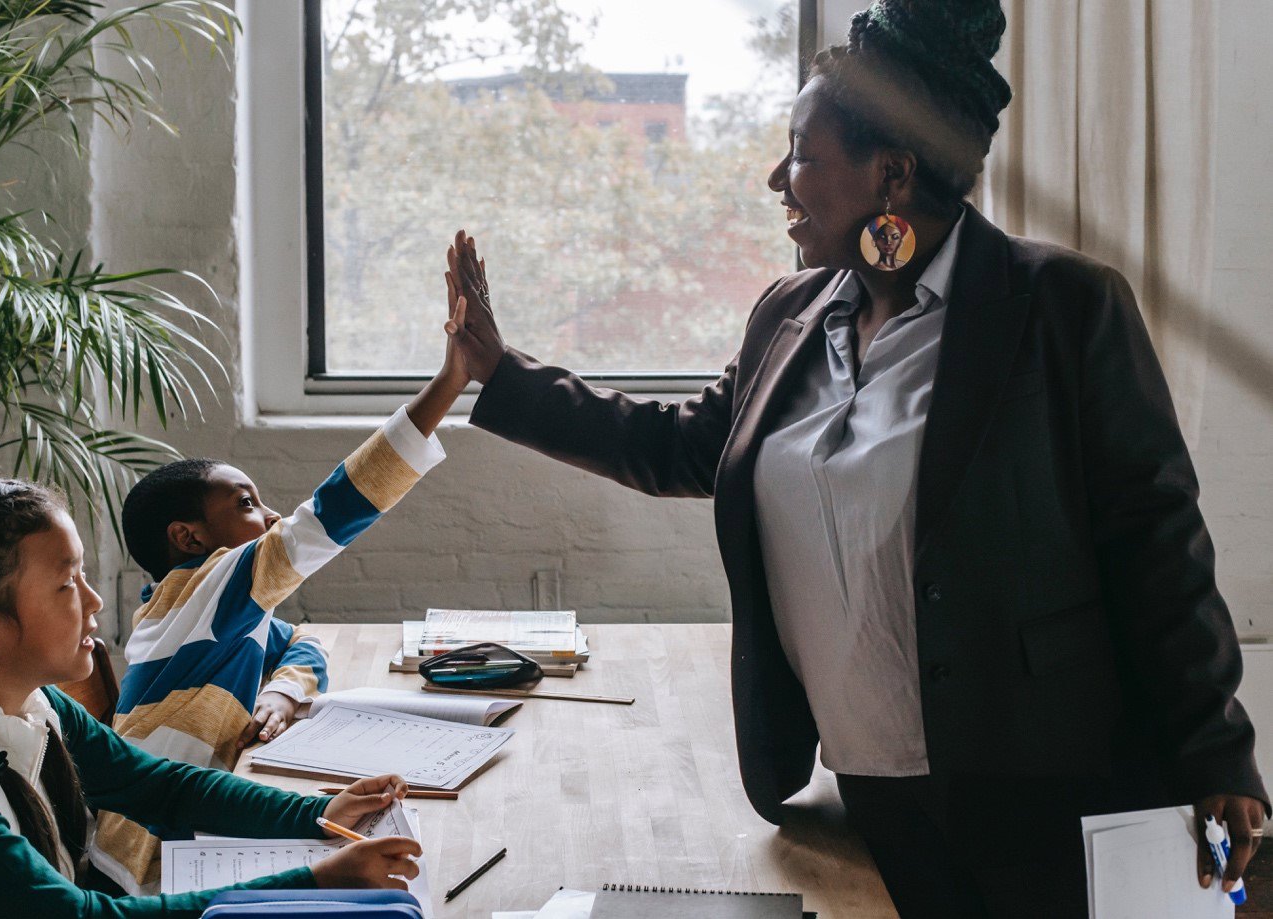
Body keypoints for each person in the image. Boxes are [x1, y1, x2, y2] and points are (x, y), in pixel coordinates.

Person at [440, 0, 1268, 914]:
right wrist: (498, 373)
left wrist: (1215, 746)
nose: (775, 178)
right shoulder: (789, 317)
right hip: (867, 790)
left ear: (892, 173)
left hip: (1045, 793)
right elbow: (681, 445)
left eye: (800, 152)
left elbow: (1155, 541)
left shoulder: (1062, 309)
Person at [0, 478, 423, 917]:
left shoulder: (25, 696)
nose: (95, 600)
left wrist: (320, 811)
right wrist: (310, 883)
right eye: (65, 584)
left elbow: (157, 786)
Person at [93, 306, 469, 893]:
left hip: (194, 824)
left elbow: (300, 640)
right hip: (150, 859)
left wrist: (283, 689)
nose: (267, 515)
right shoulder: (201, 589)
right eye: (245, 504)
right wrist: (449, 383)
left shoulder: (205, 605)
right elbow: (329, 514)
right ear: (188, 537)